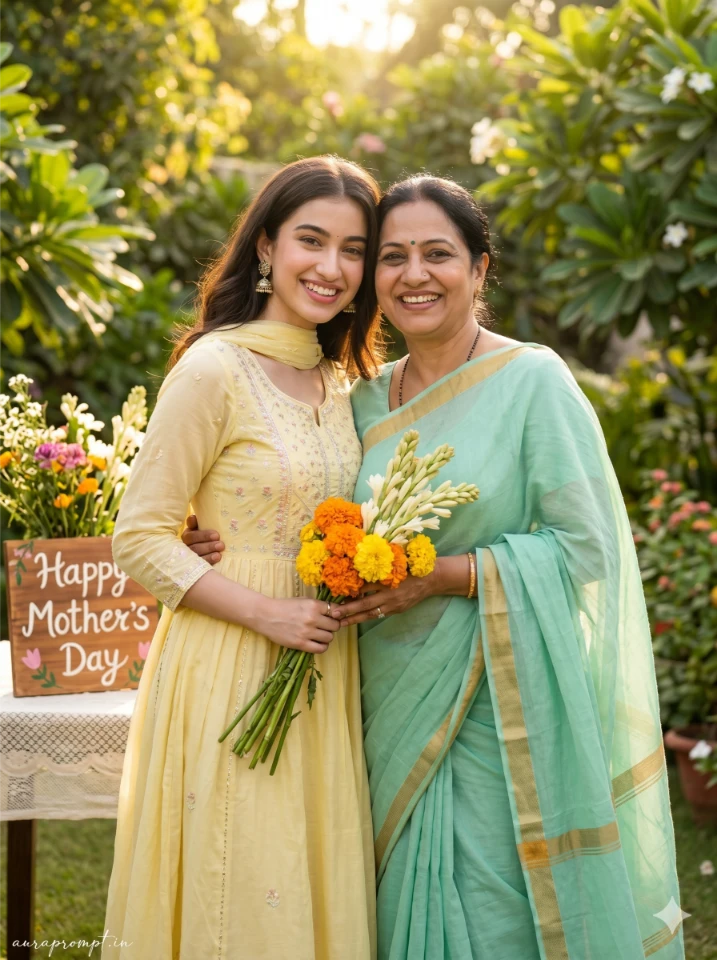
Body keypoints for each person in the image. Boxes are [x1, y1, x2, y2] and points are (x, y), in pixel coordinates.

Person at [186, 174, 685, 960]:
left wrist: (446, 575)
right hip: (371, 701)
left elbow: (587, 546)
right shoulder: (360, 398)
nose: (413, 274)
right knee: (386, 910)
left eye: (436, 254)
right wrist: (201, 529)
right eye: (391, 257)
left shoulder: (534, 383)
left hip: (493, 704)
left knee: (486, 907)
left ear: (479, 269)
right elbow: (295, 493)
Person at [103, 156, 382, 960]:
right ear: (264, 246)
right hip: (230, 660)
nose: (331, 267)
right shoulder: (214, 368)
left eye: (353, 249)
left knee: (304, 875)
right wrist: (269, 611)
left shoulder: (340, 380)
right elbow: (140, 536)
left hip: (322, 665)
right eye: (311, 240)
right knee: (240, 877)